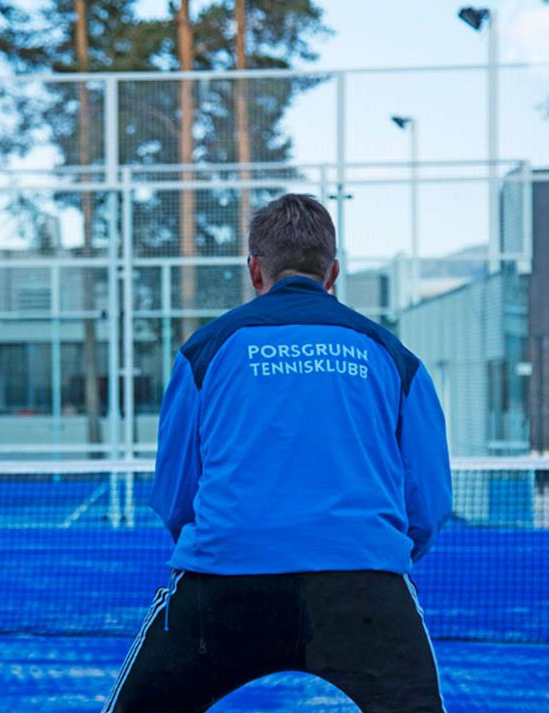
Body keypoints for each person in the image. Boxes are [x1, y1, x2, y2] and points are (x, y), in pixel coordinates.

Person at [105, 194, 453, 713]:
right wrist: (370, 557)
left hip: (223, 587)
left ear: (254, 269)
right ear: (333, 272)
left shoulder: (206, 349)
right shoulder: (392, 356)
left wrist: (226, 548)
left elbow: (176, 494)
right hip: (363, 589)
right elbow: (428, 504)